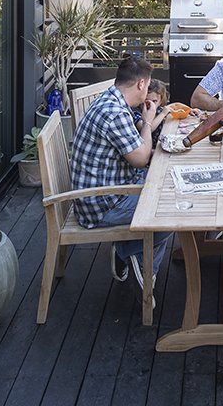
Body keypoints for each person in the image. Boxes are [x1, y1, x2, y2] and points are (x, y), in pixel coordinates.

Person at [70, 55, 169, 303]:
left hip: (109, 188)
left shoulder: (111, 98)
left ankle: (127, 251)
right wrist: (147, 123)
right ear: (140, 84)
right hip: (101, 205)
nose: (146, 93)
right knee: (168, 210)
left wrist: (146, 121)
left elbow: (133, 138)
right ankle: (139, 262)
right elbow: (141, 158)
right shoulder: (114, 112)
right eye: (146, 88)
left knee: (167, 181)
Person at [132, 77, 169, 147]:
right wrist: (163, 114)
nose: (150, 104)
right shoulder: (136, 113)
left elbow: (174, 107)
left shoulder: (159, 110)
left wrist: (189, 110)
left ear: (161, 101)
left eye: (154, 101)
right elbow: (147, 128)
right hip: (143, 150)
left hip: (159, 146)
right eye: (146, 101)